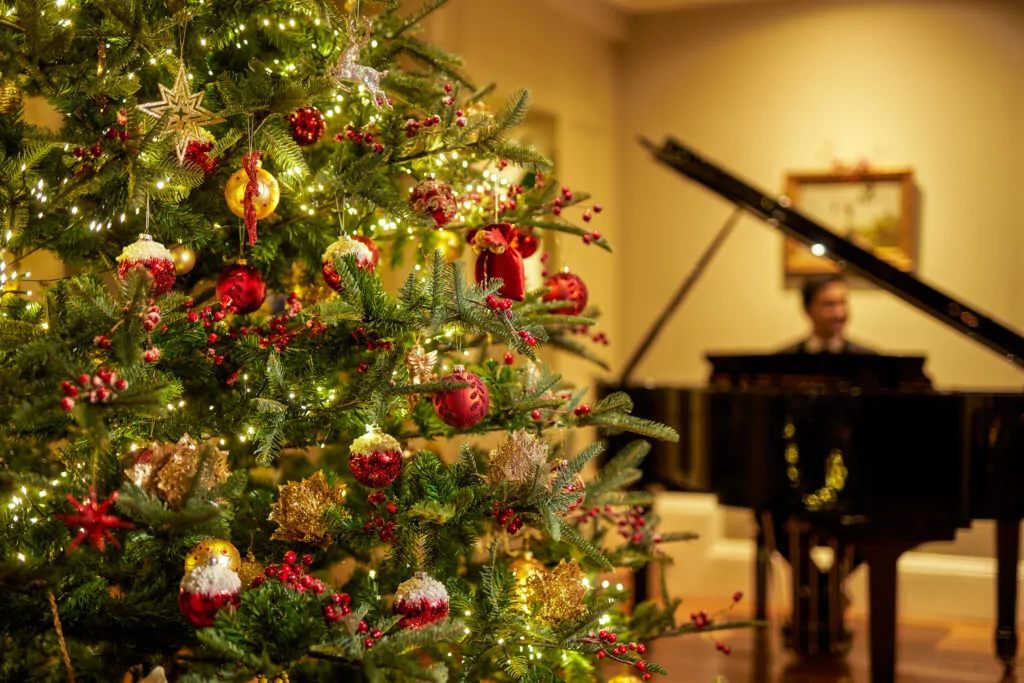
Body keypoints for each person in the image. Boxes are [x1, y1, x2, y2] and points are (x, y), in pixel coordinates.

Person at [778, 273, 875, 355]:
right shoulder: (781, 362)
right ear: (808, 310)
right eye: (829, 304)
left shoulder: (871, 360)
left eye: (842, 303)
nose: (839, 314)